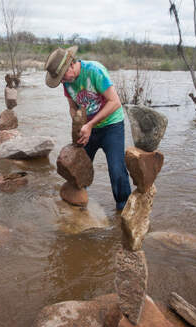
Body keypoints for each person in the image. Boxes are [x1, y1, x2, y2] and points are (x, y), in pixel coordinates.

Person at [44, 46, 131, 210]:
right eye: (59, 79)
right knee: (77, 167)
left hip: (111, 125)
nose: (62, 81)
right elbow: (72, 106)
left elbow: (115, 102)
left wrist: (90, 124)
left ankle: (123, 207)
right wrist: (78, 122)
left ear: (71, 64)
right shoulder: (66, 82)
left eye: (62, 77)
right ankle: (79, 203)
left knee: (116, 168)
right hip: (87, 128)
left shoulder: (94, 71)